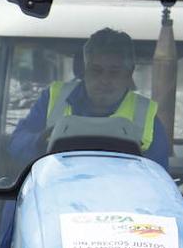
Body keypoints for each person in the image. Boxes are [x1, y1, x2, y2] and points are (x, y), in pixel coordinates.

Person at [9, 27, 170, 169]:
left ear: (129, 73)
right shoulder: (53, 98)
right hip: (55, 196)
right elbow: (15, 145)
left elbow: (159, 179)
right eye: (96, 70)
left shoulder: (145, 114)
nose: (104, 80)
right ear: (84, 70)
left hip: (120, 200)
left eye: (114, 72)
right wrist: (39, 141)